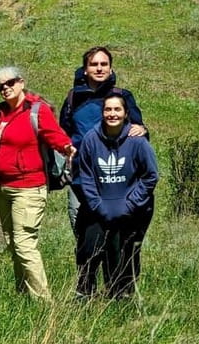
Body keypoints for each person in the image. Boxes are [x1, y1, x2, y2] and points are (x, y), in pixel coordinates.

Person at [0, 67, 75, 299]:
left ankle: (44, 303)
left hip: (29, 188)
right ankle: (23, 295)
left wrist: (67, 147)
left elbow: (54, 134)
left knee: (24, 244)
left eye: (10, 83)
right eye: (0, 86)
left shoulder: (36, 111)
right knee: (13, 244)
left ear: (21, 82)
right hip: (3, 187)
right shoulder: (0, 116)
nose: (5, 88)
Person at [71, 91, 158, 299]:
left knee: (123, 253)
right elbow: (86, 176)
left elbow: (150, 176)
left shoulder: (137, 141)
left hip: (130, 210)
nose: (112, 114)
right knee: (89, 249)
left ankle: (121, 296)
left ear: (126, 113)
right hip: (98, 208)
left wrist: (130, 204)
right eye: (108, 109)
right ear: (102, 113)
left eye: (117, 109)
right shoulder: (91, 139)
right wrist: (97, 204)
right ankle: (85, 294)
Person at [59, 46, 147, 233]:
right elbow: (62, 133)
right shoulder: (73, 97)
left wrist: (142, 129)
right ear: (85, 69)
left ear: (111, 68)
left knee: (115, 231)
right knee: (80, 227)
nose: (99, 68)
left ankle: (114, 261)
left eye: (104, 64)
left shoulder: (122, 96)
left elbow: (139, 131)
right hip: (80, 176)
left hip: (115, 177)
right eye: (94, 64)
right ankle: (87, 261)